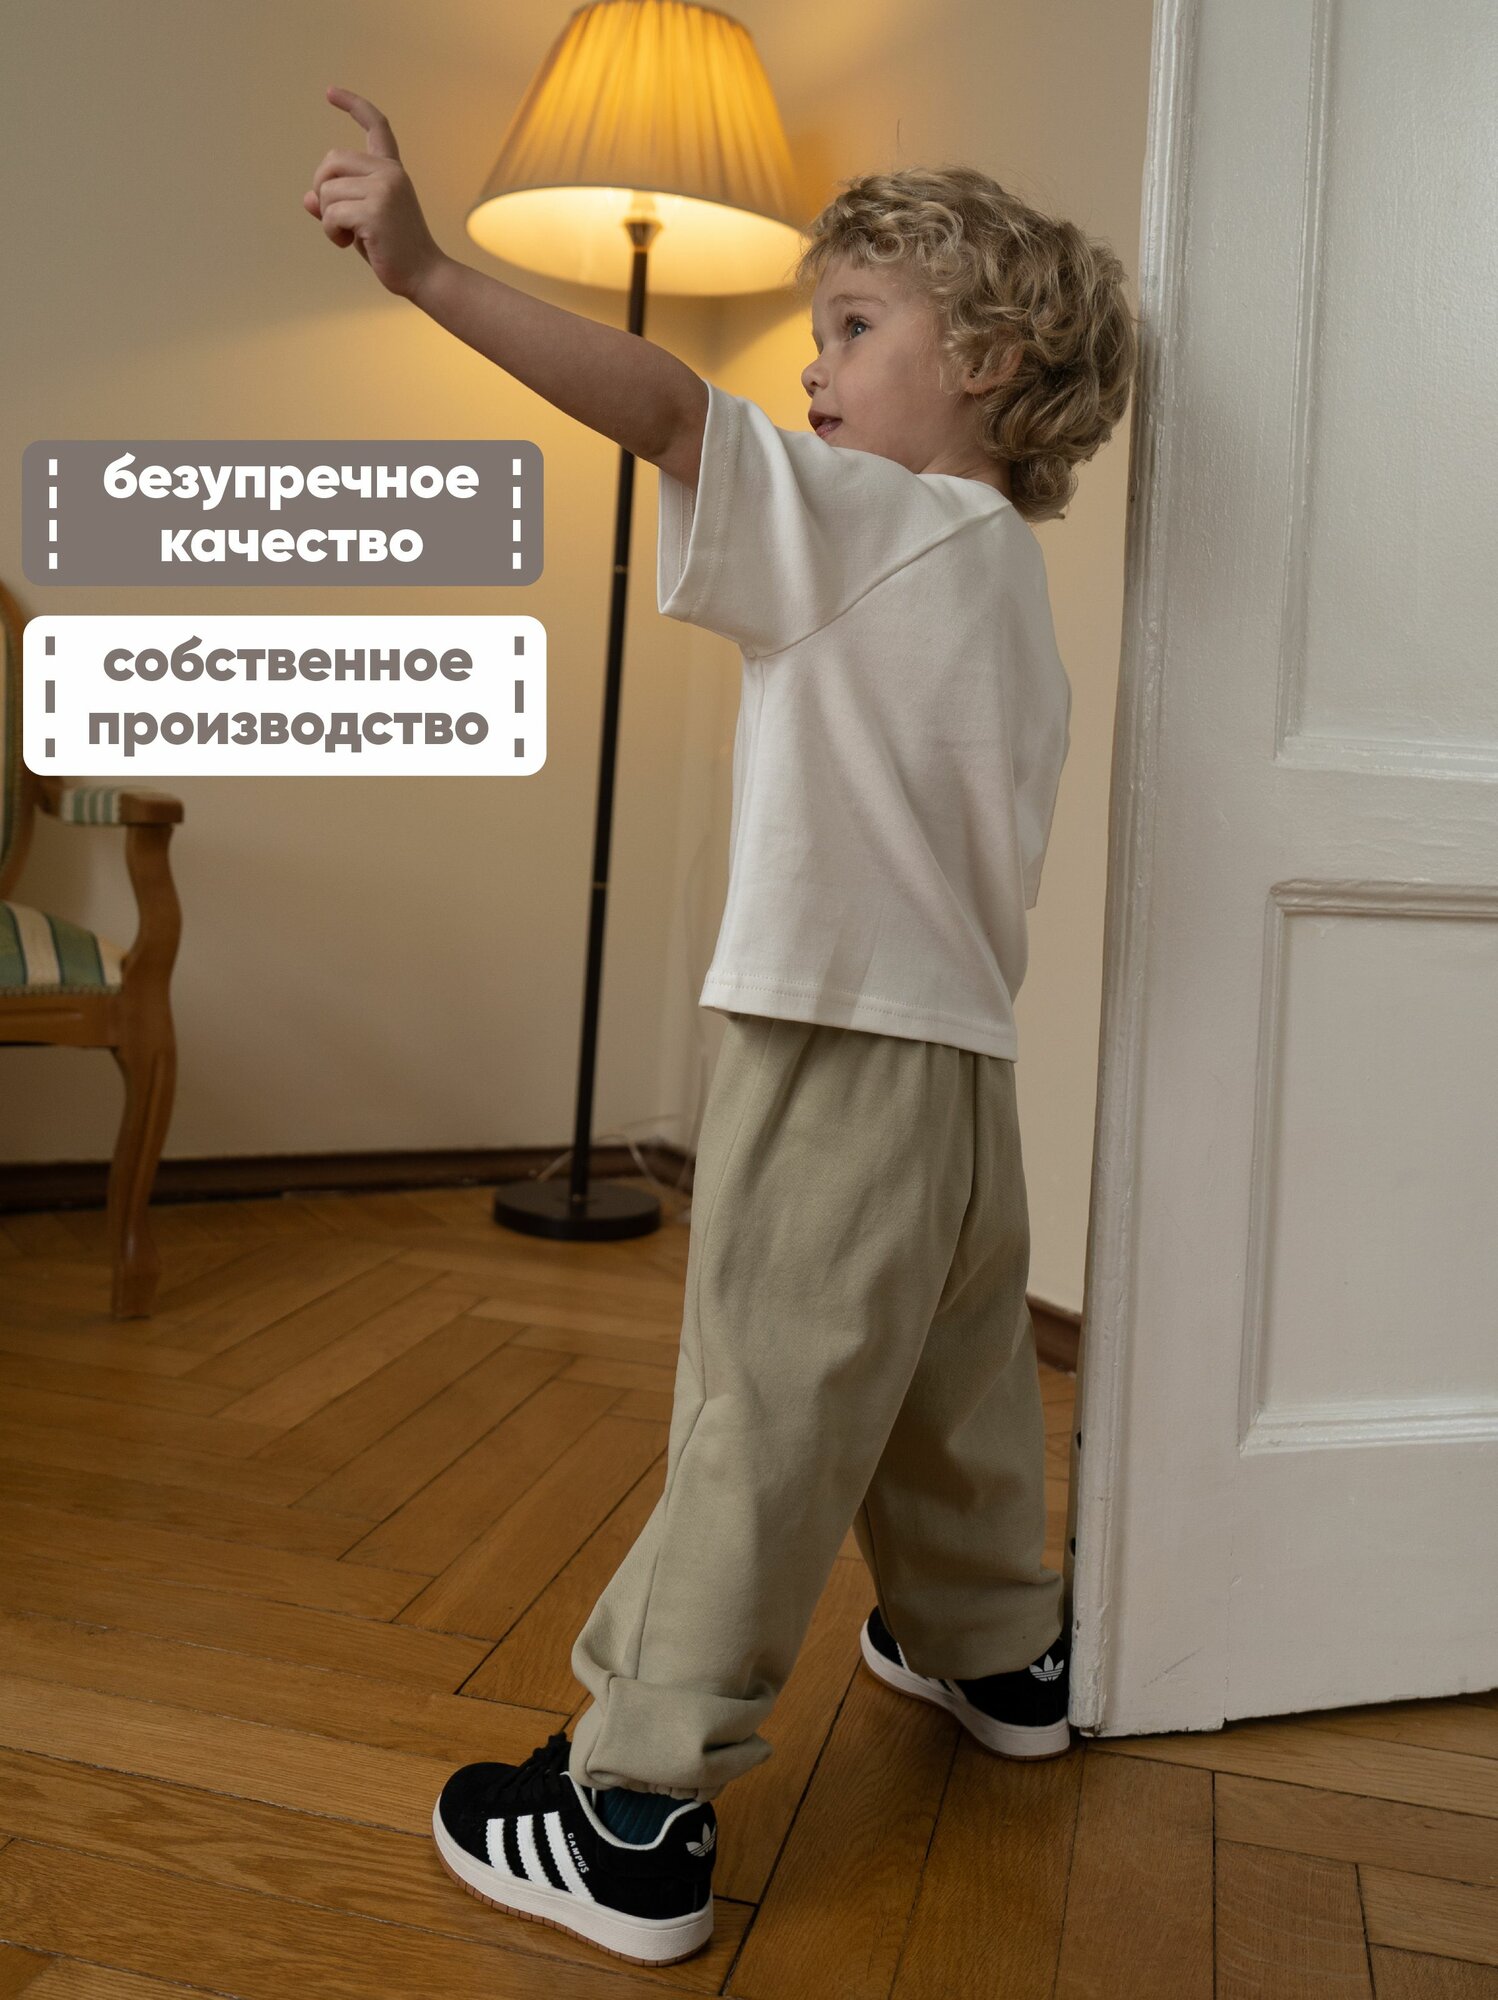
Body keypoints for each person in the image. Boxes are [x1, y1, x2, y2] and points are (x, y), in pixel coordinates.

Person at [305, 85, 1137, 1970]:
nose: (810, 365)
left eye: (854, 324)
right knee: (948, 1377)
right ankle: (996, 1645)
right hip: (960, 1062)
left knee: (762, 1402)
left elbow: (667, 411)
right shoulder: (1000, 573)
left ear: (986, 363)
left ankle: (631, 1806)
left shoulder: (867, 521)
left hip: (829, 1041)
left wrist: (428, 271)